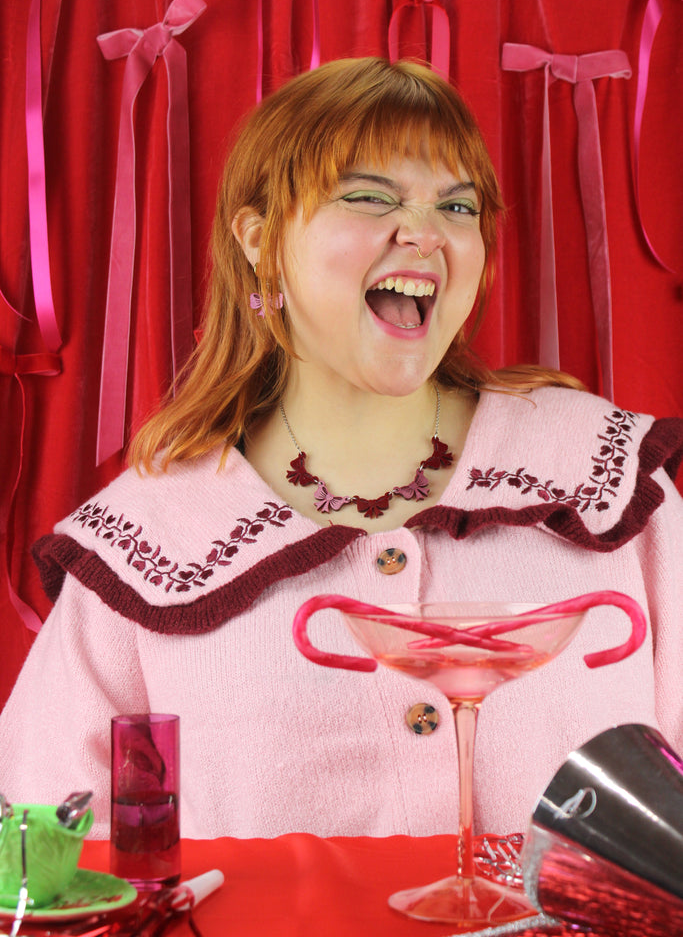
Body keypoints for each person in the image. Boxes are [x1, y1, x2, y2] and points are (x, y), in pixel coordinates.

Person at [1, 57, 681, 841]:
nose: (425, 233)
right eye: (368, 197)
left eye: (457, 207)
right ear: (259, 240)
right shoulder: (153, 535)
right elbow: (44, 859)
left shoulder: (598, 475)